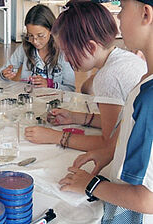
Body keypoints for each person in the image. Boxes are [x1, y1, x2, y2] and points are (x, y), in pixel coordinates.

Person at [59, 0, 153, 223]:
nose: (118, 18)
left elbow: (146, 200)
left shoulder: (149, 97)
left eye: (122, 9)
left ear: (146, 14)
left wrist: (91, 185)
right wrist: (110, 150)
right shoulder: (145, 81)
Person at [24, 1, 147, 152]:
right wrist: (76, 117)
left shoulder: (108, 77)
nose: (67, 59)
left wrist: (55, 136)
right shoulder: (125, 58)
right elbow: (120, 122)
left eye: (67, 52)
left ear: (90, 47)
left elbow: (110, 145)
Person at [0, 4, 75, 91]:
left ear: (52, 30)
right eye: (30, 36)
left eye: (40, 35)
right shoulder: (24, 48)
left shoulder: (63, 52)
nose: (35, 41)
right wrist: (4, 74)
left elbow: (70, 89)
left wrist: (50, 85)